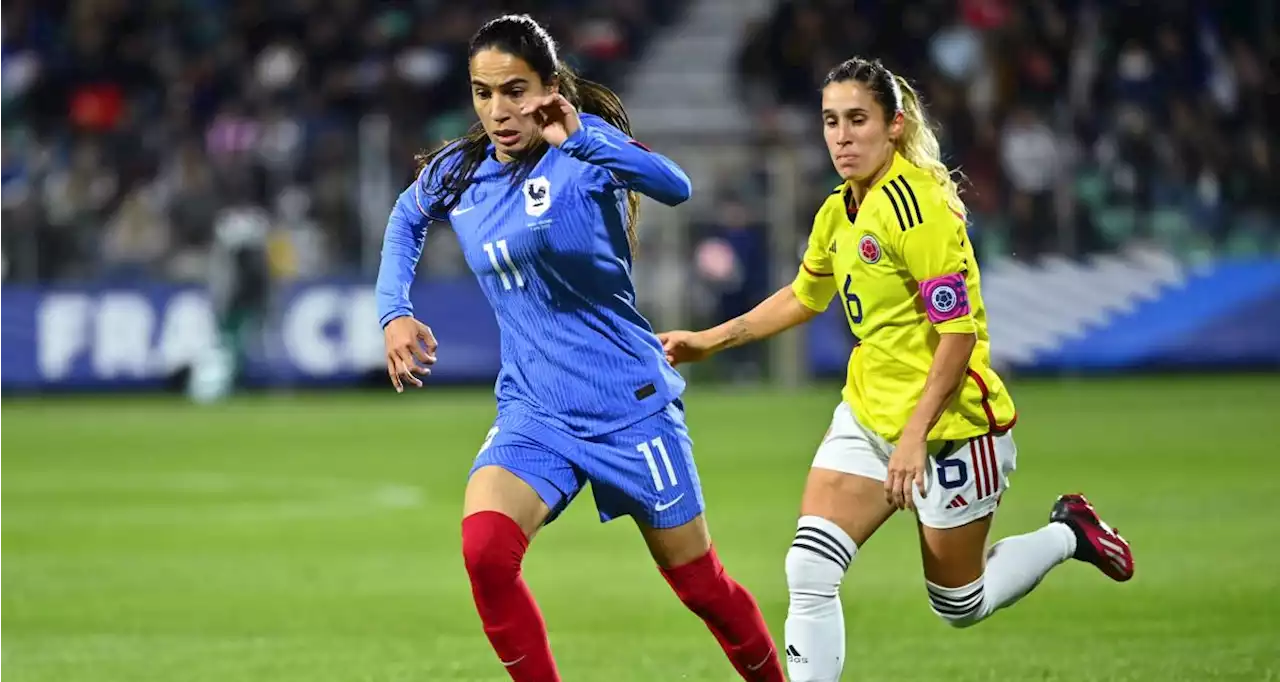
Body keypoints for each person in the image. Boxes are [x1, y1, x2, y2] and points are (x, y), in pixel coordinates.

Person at [659, 57, 1135, 682]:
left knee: (959, 603)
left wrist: (913, 437)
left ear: (893, 126)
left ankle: (1070, 532)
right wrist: (709, 341)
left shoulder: (919, 208)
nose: (842, 136)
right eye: (831, 121)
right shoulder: (837, 209)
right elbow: (806, 295)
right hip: (867, 415)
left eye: (858, 119)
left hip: (952, 428)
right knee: (808, 570)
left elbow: (958, 336)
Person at [374, 14, 785, 682]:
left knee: (702, 587)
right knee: (484, 551)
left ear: (548, 86)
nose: (498, 110)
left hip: (630, 407)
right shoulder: (461, 170)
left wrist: (586, 140)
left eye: (515, 91)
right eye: (483, 93)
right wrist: (395, 312)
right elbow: (404, 219)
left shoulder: (583, 149)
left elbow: (674, 185)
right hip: (536, 412)